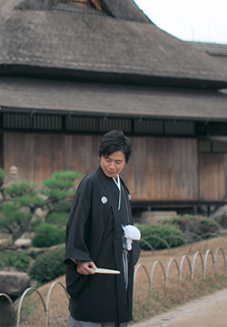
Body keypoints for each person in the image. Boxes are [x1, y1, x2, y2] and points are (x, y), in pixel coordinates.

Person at [64, 130, 140, 327]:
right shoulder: (90, 183)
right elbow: (76, 222)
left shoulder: (121, 186)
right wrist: (80, 258)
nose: (112, 166)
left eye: (118, 162)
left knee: (114, 312)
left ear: (126, 163)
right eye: (108, 160)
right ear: (100, 157)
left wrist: (131, 238)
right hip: (95, 263)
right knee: (92, 311)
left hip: (118, 260)